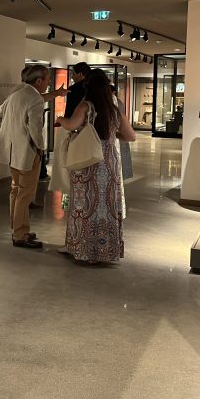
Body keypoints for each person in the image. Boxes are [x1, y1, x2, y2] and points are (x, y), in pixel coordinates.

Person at [56, 70, 136, 263]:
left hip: (88, 161)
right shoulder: (114, 110)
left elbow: (71, 124)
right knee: (106, 205)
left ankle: (82, 248)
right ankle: (104, 250)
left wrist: (60, 120)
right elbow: (130, 136)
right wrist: (112, 134)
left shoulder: (86, 106)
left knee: (83, 205)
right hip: (109, 163)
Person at [0, 64, 65, 249]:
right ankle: (19, 234)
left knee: (16, 191)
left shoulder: (15, 94)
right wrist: (40, 147)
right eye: (47, 80)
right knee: (25, 194)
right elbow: (35, 128)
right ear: (39, 81)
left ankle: (19, 228)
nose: (48, 83)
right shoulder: (34, 98)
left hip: (12, 153)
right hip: (27, 153)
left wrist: (9, 136)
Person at [49, 62, 91, 202]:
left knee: (66, 163)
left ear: (80, 74)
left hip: (72, 130)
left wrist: (61, 121)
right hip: (88, 133)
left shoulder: (75, 89)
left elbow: (69, 114)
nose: (72, 76)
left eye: (74, 73)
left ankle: (68, 198)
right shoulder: (92, 90)